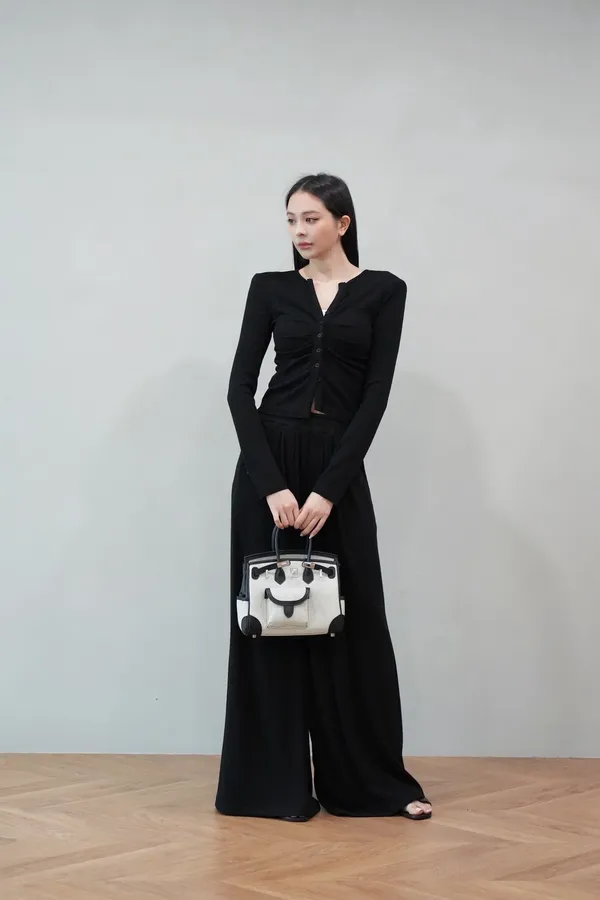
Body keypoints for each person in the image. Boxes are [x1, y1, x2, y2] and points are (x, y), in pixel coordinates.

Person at [215, 172, 432, 822]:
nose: (299, 231)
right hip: (269, 467)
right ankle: (270, 788)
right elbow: (239, 389)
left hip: (336, 467)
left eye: (310, 218)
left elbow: (374, 396)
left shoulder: (385, 292)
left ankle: (372, 786)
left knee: (352, 622)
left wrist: (329, 490)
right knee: (270, 623)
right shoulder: (270, 288)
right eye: (290, 220)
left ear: (342, 222)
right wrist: (272, 485)